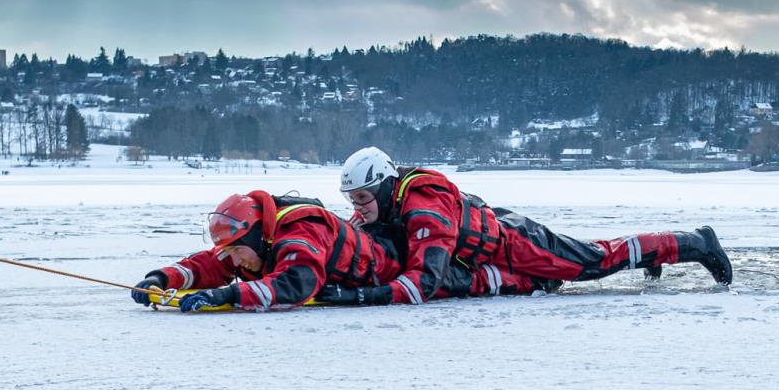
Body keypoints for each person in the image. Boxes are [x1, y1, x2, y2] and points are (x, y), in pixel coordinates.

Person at [333, 147, 733, 305]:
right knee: (578, 263)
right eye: (352, 202)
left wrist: (366, 296)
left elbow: (427, 279)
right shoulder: (384, 207)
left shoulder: (424, 207)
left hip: (515, 243)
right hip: (493, 243)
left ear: (385, 188)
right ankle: (650, 256)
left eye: (363, 199)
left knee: (591, 262)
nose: (358, 209)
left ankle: (696, 243)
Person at [130, 189, 401, 312]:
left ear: (256, 235)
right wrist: (161, 278)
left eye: (236, 250)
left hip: (390, 263)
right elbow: (210, 264)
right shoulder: (250, 244)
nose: (234, 260)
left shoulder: (301, 231)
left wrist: (227, 295)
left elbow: (295, 284)